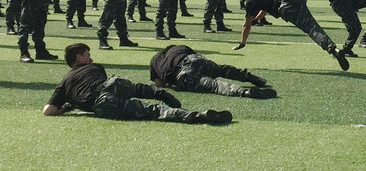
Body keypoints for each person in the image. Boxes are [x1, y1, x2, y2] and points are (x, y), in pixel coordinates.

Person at [43, 43, 232, 125]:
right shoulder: (96, 67)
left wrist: (66, 106)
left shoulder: (65, 81)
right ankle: (157, 93)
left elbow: (48, 110)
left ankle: (197, 116)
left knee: (153, 112)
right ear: (79, 57)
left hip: (100, 101)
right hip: (112, 83)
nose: (91, 58)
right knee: (132, 87)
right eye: (87, 55)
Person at [150, 44, 276, 99]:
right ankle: (251, 78)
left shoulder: (154, 60)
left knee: (214, 85)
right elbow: (200, 55)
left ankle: (245, 92)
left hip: (183, 74)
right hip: (194, 59)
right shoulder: (179, 48)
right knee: (222, 70)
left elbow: (159, 83)